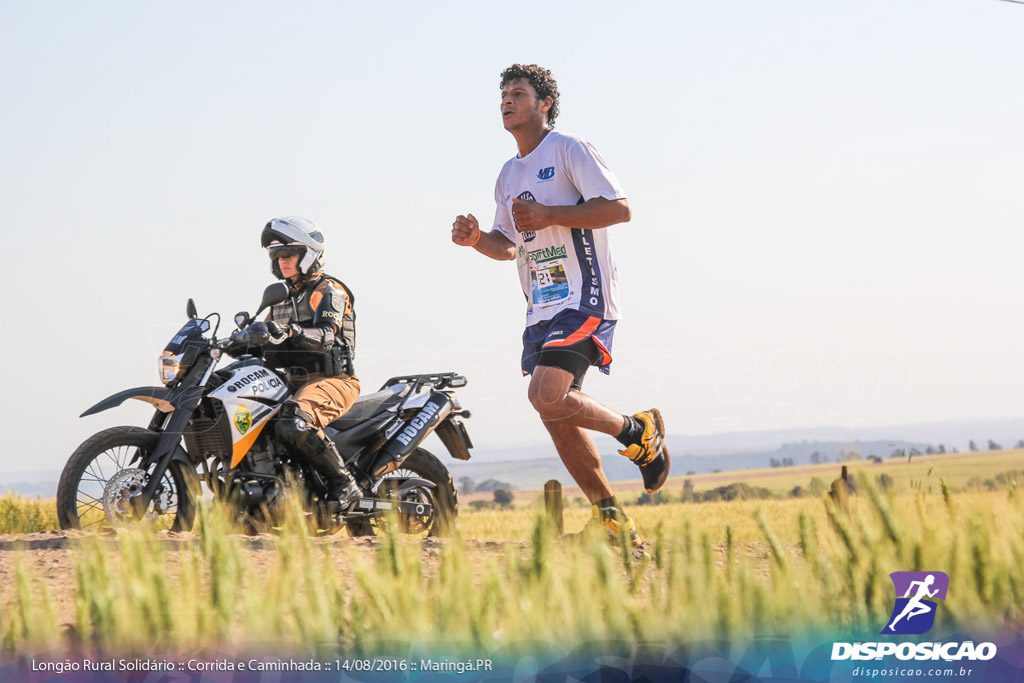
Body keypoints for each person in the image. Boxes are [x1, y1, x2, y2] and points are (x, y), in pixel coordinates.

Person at [450, 64, 669, 546]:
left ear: (545, 103)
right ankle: (611, 517)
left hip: (585, 295)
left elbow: (619, 209)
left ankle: (637, 431)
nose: (507, 101)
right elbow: (508, 245)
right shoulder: (508, 174)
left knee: (545, 395)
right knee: (556, 410)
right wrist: (476, 240)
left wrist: (552, 214)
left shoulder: (569, 149)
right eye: (503, 94)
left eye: (518, 93)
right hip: (541, 306)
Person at [249, 216, 362, 511]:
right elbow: (262, 340)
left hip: (334, 381)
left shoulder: (329, 290)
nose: (282, 261)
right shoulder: (281, 299)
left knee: (292, 420)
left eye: (289, 254)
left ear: (309, 254)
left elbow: (326, 334)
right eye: (277, 256)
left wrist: (293, 332)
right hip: (293, 381)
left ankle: (345, 485)